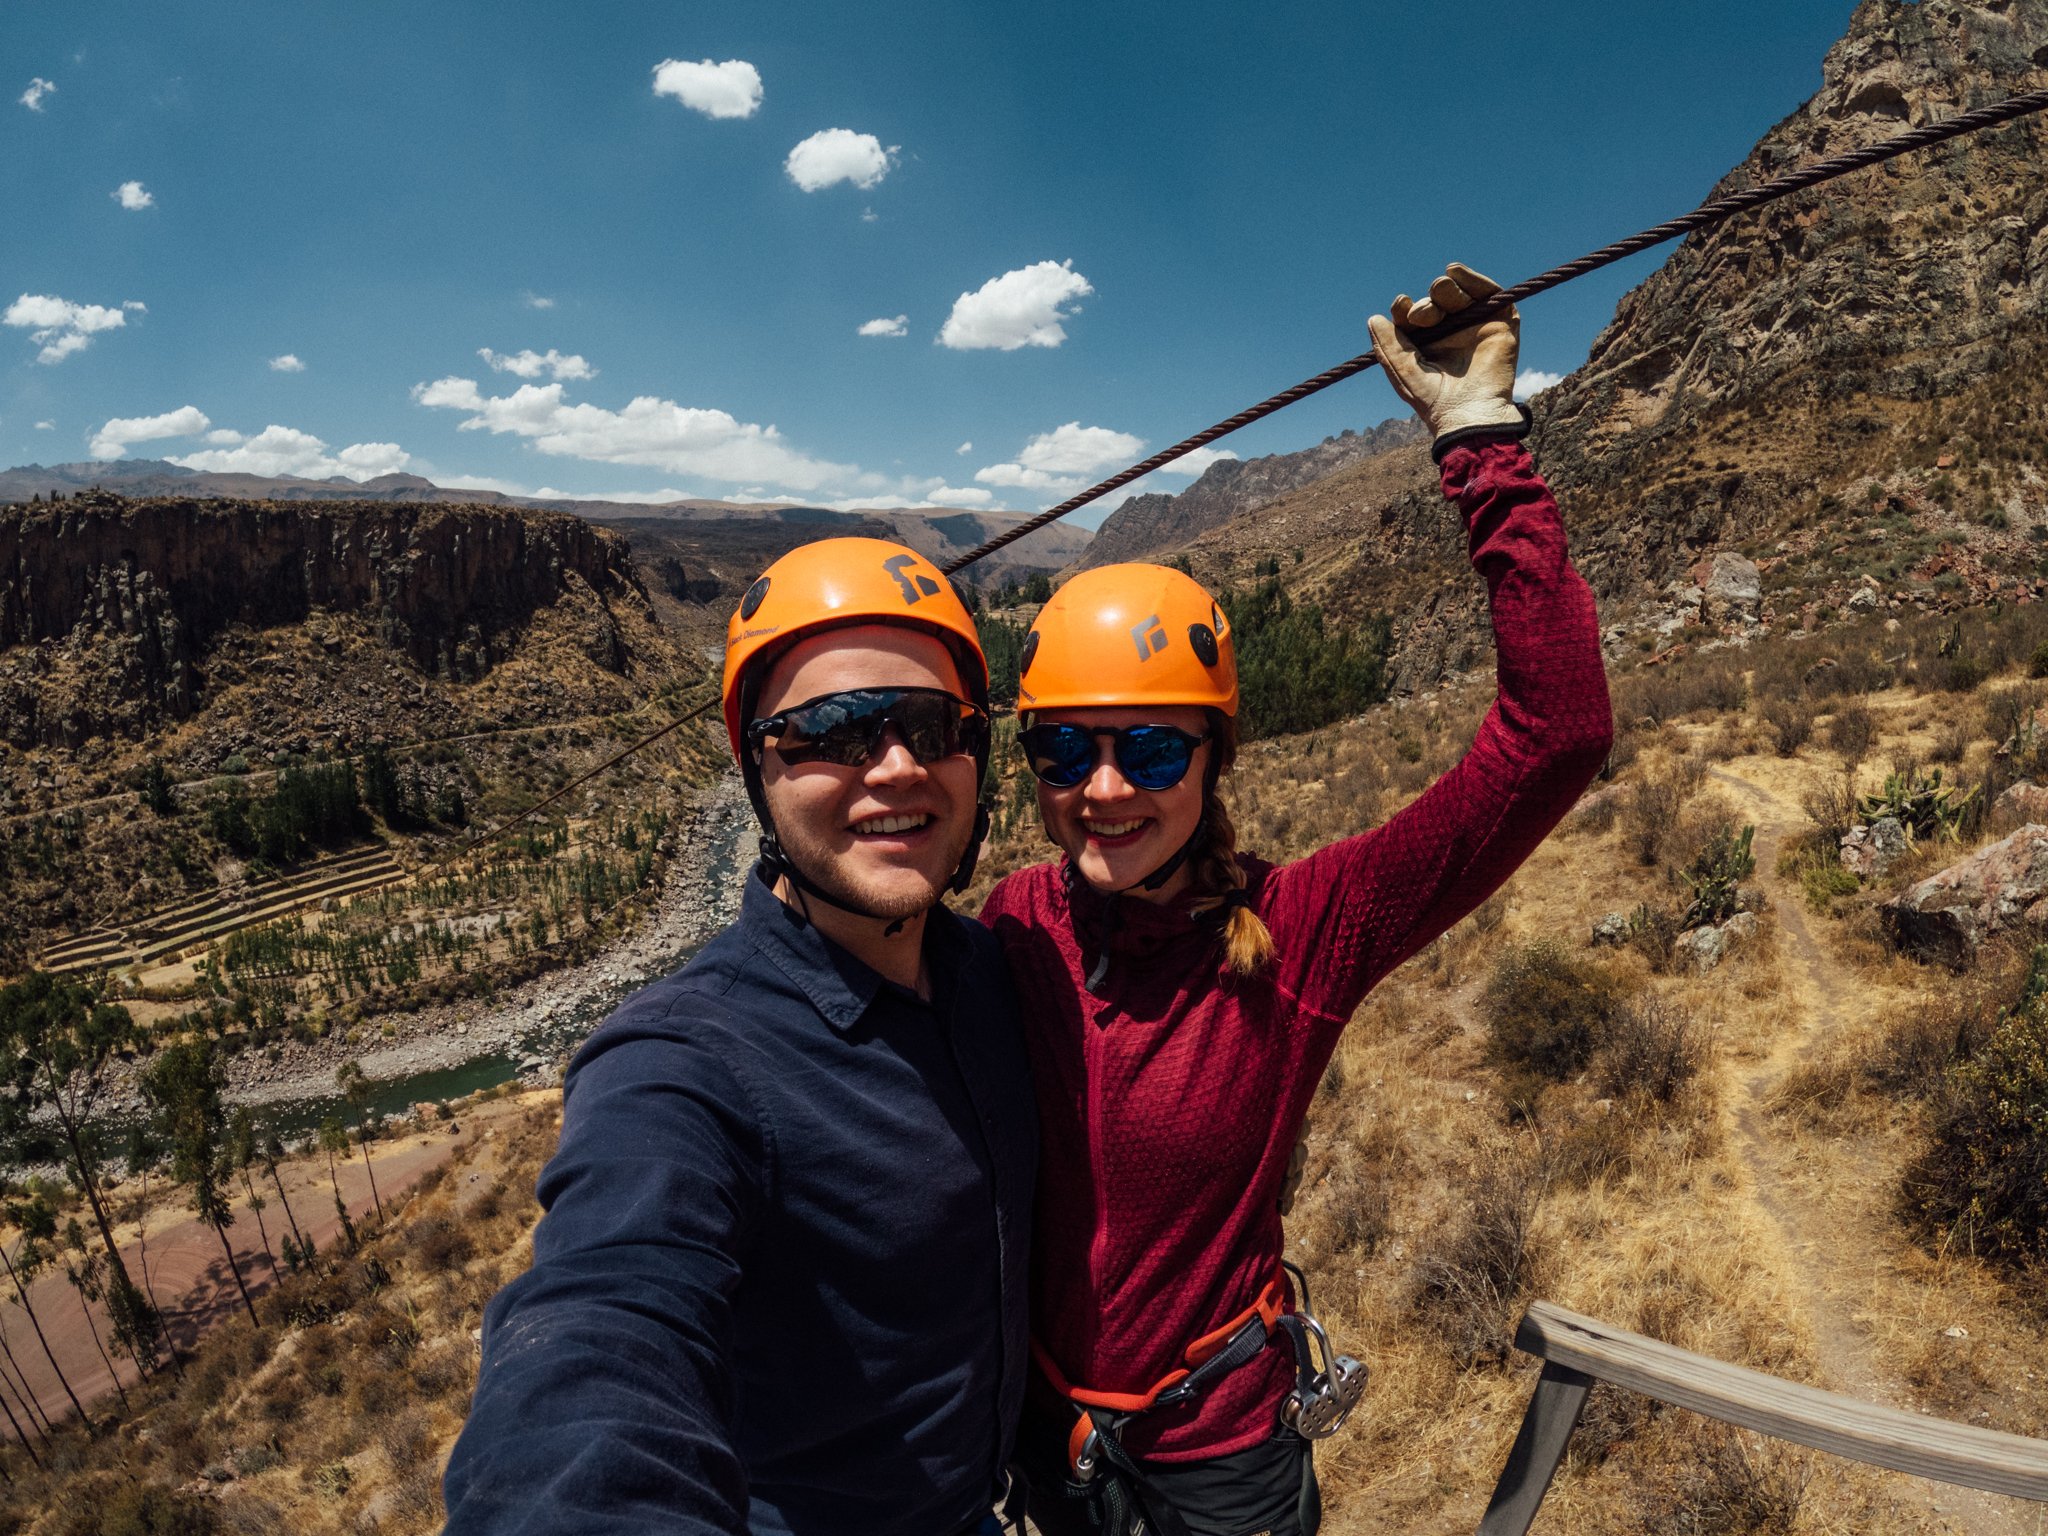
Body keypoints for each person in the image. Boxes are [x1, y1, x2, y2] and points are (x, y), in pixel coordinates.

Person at [981, 264, 1614, 1535]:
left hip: (1217, 1464)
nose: (1103, 790)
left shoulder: (1308, 928)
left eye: (1151, 750)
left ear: (1213, 760)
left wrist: (1479, 442)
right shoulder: (1009, 931)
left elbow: (1556, 733)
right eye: (1065, 752)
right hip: (1042, 1450)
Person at [443, 537, 1037, 1536]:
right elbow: (598, 1327)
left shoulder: (994, 976)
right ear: (756, 768)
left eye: (934, 726)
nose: (896, 768)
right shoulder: (682, 1063)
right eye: (833, 733)